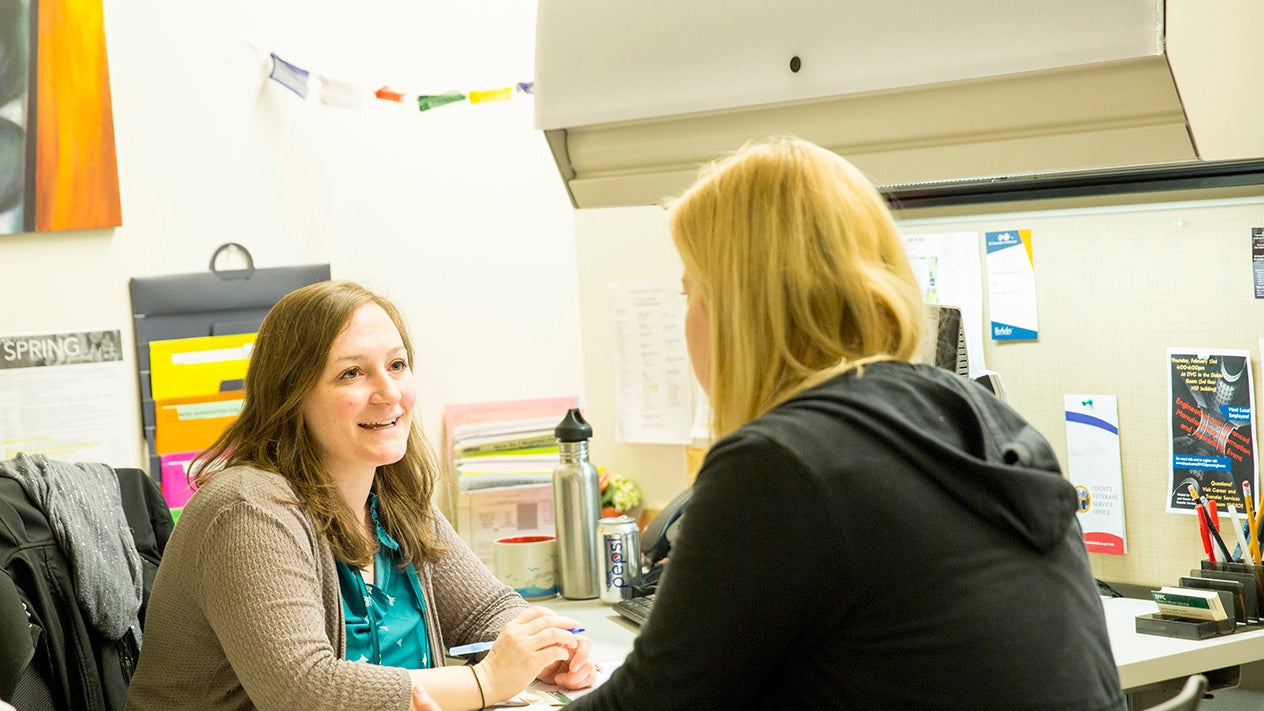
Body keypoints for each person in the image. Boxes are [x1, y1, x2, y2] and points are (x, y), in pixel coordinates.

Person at [568, 136, 1126, 710]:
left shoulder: (779, 466)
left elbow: (649, 704)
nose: (687, 320)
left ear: (740, 309)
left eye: (691, 293)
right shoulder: (976, 411)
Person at [126, 281, 597, 711]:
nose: (388, 392)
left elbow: (485, 611)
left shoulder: (391, 493)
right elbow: (304, 690)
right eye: (352, 373)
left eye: (396, 365)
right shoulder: (247, 511)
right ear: (291, 395)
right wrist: (485, 682)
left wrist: (544, 650)